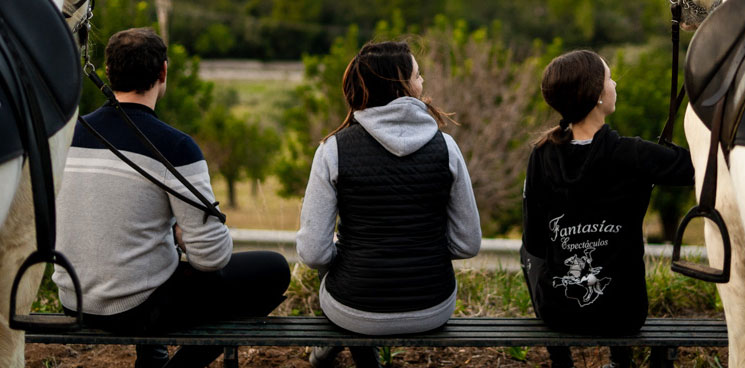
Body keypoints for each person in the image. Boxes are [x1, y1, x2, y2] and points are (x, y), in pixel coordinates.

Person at [53, 27, 290, 368]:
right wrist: (182, 234)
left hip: (73, 300)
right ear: (164, 72)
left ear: (108, 71)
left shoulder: (69, 135)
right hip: (135, 309)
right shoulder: (175, 147)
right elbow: (212, 258)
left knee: (155, 263)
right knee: (273, 269)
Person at [296, 40, 482, 368]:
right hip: (432, 307)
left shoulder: (332, 150)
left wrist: (359, 260)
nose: (423, 83)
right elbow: (468, 244)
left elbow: (313, 253)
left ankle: (328, 350)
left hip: (353, 309)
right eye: (418, 76)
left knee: (338, 282)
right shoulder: (447, 147)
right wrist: (422, 248)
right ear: (401, 87)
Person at [521, 50, 694, 368]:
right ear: (598, 96)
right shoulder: (634, 154)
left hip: (557, 311)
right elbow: (694, 169)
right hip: (622, 314)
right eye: (609, 77)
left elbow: (533, 241)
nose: (615, 83)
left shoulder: (542, 155)